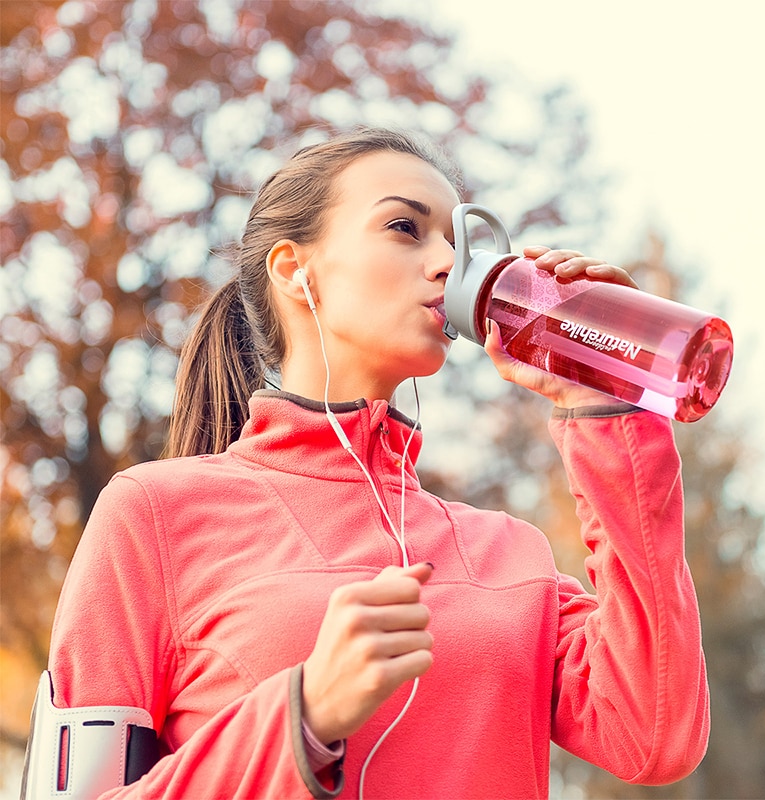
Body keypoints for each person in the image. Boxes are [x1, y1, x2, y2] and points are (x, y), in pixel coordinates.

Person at [38, 127, 709, 799]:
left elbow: (656, 735)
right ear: (294, 270)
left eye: (456, 240)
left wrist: (609, 413)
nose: (449, 263)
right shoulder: (155, 515)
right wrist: (302, 715)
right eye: (404, 227)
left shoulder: (512, 555)